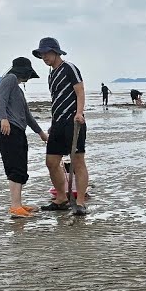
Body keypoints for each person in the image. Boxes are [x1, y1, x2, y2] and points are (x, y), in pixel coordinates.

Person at [33, 37, 89, 216]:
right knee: (51, 162)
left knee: (77, 161)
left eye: (47, 53)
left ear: (56, 52)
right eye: (41, 54)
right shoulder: (51, 74)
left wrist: (79, 113)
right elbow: (56, 100)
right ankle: (61, 198)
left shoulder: (69, 68)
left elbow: (80, 91)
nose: (44, 57)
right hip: (57, 124)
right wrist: (52, 123)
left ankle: (80, 202)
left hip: (73, 121)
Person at [0, 57, 49, 218]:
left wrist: (41, 133)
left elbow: (27, 115)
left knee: (20, 167)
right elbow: (0, 98)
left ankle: (18, 204)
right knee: (15, 167)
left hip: (18, 131)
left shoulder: (18, 90)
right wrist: (3, 118)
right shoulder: (10, 78)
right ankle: (15, 207)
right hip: (8, 130)